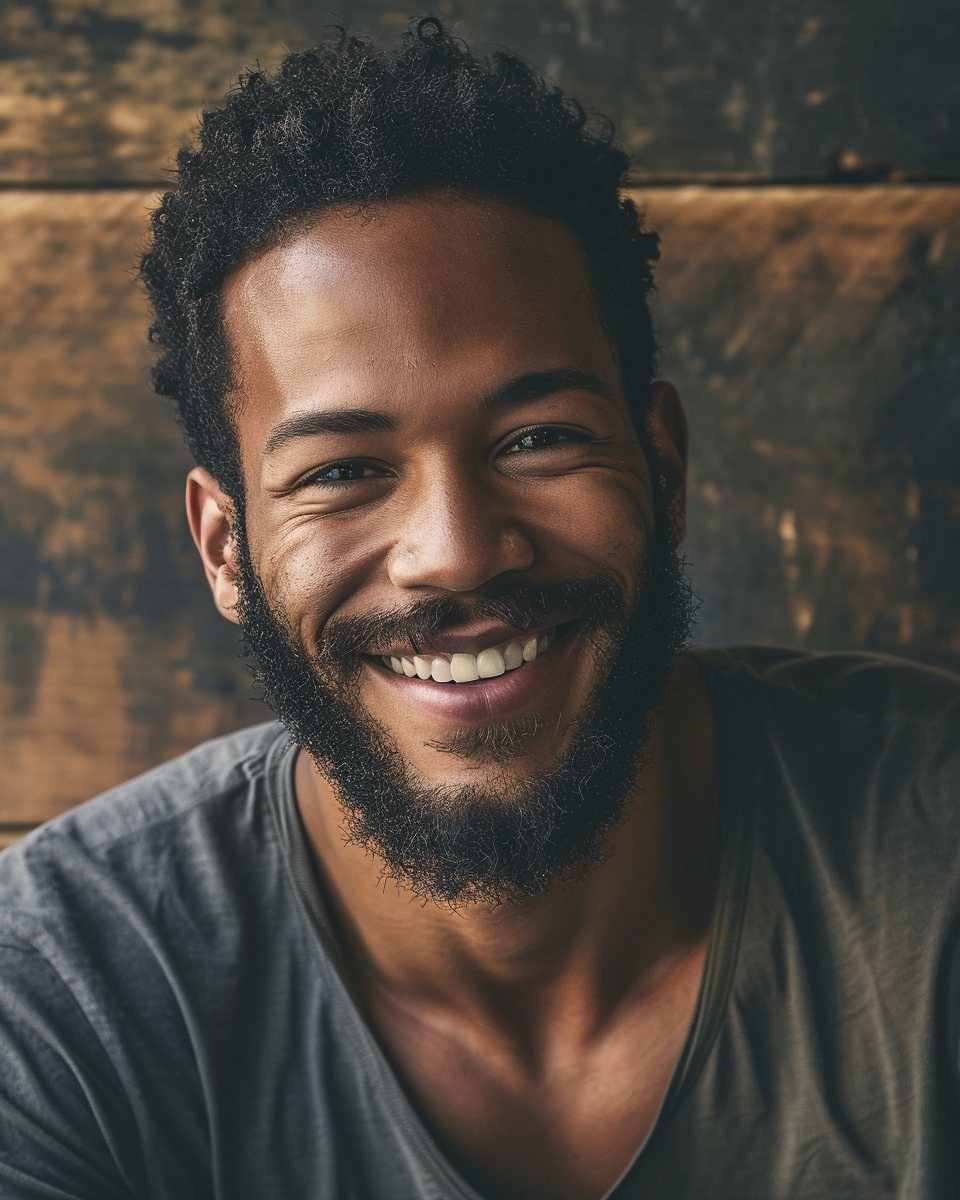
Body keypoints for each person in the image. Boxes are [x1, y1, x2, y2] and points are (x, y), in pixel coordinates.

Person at [0, 18, 958, 1200]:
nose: (454, 555)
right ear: (226, 546)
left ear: (664, 469)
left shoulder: (936, 856)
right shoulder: (63, 995)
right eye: (343, 470)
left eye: (538, 439)